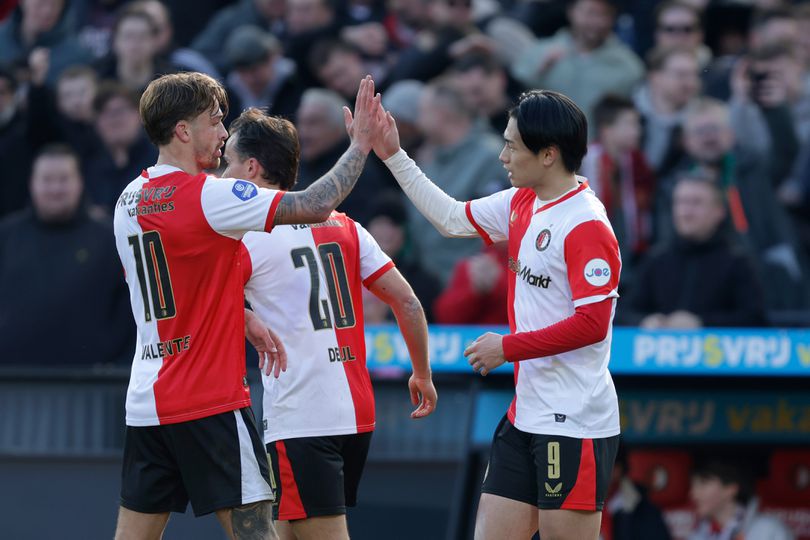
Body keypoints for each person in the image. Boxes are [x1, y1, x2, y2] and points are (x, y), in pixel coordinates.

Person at [112, 72, 382, 539]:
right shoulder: (209, 196)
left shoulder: (128, 199)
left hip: (147, 400)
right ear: (183, 130)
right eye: (215, 121)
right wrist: (360, 144)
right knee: (257, 534)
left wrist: (241, 316)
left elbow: (174, 284)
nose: (223, 133)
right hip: (208, 400)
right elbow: (315, 204)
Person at [374, 89, 621, 540]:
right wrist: (394, 155)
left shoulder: (585, 225)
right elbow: (451, 219)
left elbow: (593, 325)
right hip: (524, 414)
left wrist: (507, 347)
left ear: (548, 155)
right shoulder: (522, 200)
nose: (503, 156)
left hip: (574, 420)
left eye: (512, 146)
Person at [221, 107, 438, 540]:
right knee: (284, 530)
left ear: (251, 168)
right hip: (355, 414)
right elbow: (408, 302)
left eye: (228, 162)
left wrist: (243, 316)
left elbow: (203, 302)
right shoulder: (347, 226)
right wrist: (422, 373)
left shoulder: (248, 236)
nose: (222, 175)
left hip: (303, 416)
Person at [0, 144, 134, 365]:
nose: (55, 189)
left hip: (91, 381)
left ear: (79, 182)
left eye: (63, 179)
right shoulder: (6, 236)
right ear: (32, 183)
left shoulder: (111, 239)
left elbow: (131, 311)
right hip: (11, 379)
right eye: (47, 180)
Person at [618, 172, 766, 329]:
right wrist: (645, 321)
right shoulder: (656, 260)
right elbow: (623, 313)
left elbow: (755, 319)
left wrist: (702, 323)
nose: (686, 212)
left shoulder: (738, 262)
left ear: (719, 211)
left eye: (696, 203)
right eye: (681, 202)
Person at [511, 0, 644, 133]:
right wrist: (539, 70)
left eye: (605, 14)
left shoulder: (628, 66)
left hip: (594, 143)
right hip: (544, 141)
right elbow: (514, 96)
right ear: (571, 11)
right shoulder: (539, 52)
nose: (596, 22)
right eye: (590, 13)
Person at [581, 95, 654, 289]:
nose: (637, 131)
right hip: (593, 255)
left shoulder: (636, 162)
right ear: (607, 129)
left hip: (631, 251)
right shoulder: (585, 161)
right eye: (630, 124)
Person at [689, 461, 794, 540]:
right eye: (693, 486)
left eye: (702, 484)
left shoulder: (768, 530)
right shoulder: (696, 535)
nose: (693, 494)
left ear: (730, 489)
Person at [600, 442, 672, 540]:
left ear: (620, 468)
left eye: (607, 465)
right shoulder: (580, 505)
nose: (600, 474)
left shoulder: (643, 509)